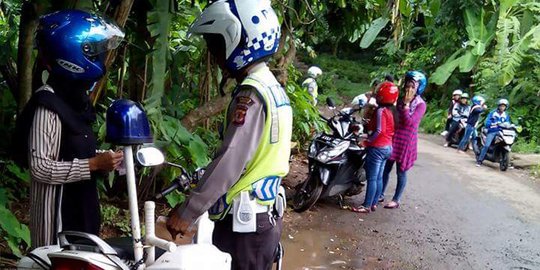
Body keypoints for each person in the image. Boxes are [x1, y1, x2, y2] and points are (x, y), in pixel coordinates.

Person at [166, 1, 291, 269]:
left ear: (239, 40)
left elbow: (231, 161)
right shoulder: (271, 86)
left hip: (245, 228)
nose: (214, 54)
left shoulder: (252, 93)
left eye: (217, 45)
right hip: (259, 220)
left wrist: (188, 212)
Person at [11, 10, 125, 248]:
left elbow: (72, 152)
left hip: (81, 211)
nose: (103, 57)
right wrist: (93, 164)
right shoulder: (48, 104)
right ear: (76, 55)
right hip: (57, 223)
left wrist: (105, 161)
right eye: (97, 51)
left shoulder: (77, 101)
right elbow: (40, 168)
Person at [380, 71, 427, 208]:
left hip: (407, 141)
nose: (409, 89)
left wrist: (406, 105)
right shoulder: (400, 100)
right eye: (407, 86)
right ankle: (380, 194)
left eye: (413, 87)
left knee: (401, 171)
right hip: (394, 137)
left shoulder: (420, 104)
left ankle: (396, 199)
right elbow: (395, 117)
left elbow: (409, 122)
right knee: (386, 168)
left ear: (419, 87)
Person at [351, 81, 398, 213]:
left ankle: (366, 205)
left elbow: (378, 131)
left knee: (372, 178)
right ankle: (373, 203)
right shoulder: (392, 111)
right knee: (378, 177)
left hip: (378, 148)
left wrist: (367, 141)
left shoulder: (381, 111)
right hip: (388, 148)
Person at [477, 99, 511, 166]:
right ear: (498, 106)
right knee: (486, 145)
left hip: (501, 132)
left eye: (504, 106)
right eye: (501, 106)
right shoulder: (492, 113)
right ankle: (480, 160)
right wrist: (492, 124)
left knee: (505, 142)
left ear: (506, 107)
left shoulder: (506, 115)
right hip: (492, 131)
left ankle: (503, 158)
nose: (502, 107)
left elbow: (508, 123)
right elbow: (487, 122)